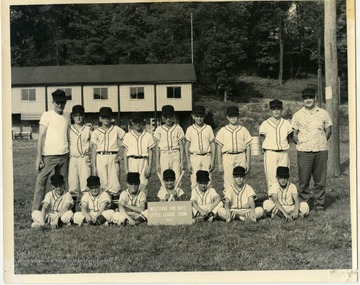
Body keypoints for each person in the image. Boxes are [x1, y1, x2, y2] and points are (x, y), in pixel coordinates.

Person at [291, 87, 332, 212]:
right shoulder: (297, 115)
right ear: (302, 100)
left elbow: (329, 129)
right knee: (304, 180)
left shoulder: (323, 113)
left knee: (320, 180)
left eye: (310, 97)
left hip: (320, 151)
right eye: (305, 98)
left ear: (315, 98)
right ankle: (304, 204)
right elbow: (294, 134)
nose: (308, 100)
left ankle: (319, 204)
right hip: (304, 152)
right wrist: (302, 144)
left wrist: (321, 141)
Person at [32, 89, 70, 213]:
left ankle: (60, 210)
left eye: (62, 102)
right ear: (53, 102)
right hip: (49, 156)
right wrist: (39, 157)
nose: (60, 105)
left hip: (64, 155)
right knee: (41, 182)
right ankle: (36, 211)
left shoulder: (67, 116)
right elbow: (41, 137)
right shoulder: (46, 115)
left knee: (61, 184)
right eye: (57, 103)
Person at [91, 107, 126, 202]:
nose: (106, 119)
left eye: (108, 117)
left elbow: (127, 141)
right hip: (100, 157)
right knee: (102, 183)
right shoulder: (96, 132)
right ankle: (105, 206)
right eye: (104, 117)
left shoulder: (117, 129)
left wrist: (121, 156)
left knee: (114, 183)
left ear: (111, 118)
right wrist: (94, 167)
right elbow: (93, 149)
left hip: (113, 156)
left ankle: (115, 208)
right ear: (100, 118)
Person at [215, 106, 252, 190]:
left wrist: (248, 162)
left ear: (238, 117)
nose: (233, 118)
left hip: (240, 156)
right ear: (227, 117)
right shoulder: (223, 130)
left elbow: (248, 146)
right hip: (227, 156)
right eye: (231, 116)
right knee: (228, 179)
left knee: (241, 179)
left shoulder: (243, 130)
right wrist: (219, 163)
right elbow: (219, 147)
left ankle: (241, 199)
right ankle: (228, 199)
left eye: (235, 116)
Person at [259, 99, 293, 189]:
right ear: (270, 110)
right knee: (271, 178)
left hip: (283, 153)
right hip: (271, 152)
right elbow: (262, 138)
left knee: (284, 176)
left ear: (281, 110)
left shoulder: (286, 123)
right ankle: (272, 199)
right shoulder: (265, 123)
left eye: (278, 109)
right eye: (274, 109)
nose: (276, 111)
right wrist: (266, 150)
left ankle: (284, 198)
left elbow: (289, 137)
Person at [123, 112, 156, 194]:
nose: (137, 124)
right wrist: (126, 168)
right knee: (132, 184)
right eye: (135, 122)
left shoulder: (148, 135)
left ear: (143, 122)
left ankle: (142, 203)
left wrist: (149, 167)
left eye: (139, 121)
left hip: (143, 161)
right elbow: (125, 153)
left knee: (143, 185)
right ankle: (132, 203)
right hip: (132, 160)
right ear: (132, 122)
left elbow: (150, 152)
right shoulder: (128, 135)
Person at [185, 105, 216, 188]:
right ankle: (196, 200)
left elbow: (212, 144)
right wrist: (188, 162)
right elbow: (187, 146)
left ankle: (208, 200)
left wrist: (212, 161)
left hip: (206, 156)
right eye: (197, 116)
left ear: (204, 116)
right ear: (193, 117)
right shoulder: (190, 129)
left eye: (201, 116)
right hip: (194, 157)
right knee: (194, 180)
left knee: (208, 180)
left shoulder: (208, 128)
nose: (199, 118)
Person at [153, 105, 185, 184]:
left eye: (170, 116)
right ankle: (165, 195)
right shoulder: (159, 129)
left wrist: (182, 161)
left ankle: (176, 195)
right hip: (164, 155)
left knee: (177, 177)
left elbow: (181, 145)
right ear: (162, 117)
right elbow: (157, 147)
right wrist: (157, 162)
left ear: (174, 116)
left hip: (175, 154)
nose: (168, 119)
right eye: (166, 117)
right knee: (165, 177)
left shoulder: (178, 128)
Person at [68, 105, 92, 197]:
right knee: (73, 184)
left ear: (84, 116)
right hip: (73, 158)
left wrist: (91, 158)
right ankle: (73, 210)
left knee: (86, 185)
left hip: (84, 158)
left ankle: (85, 207)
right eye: (76, 115)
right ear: (72, 116)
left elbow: (93, 144)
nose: (78, 117)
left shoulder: (88, 129)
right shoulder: (69, 129)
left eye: (80, 115)